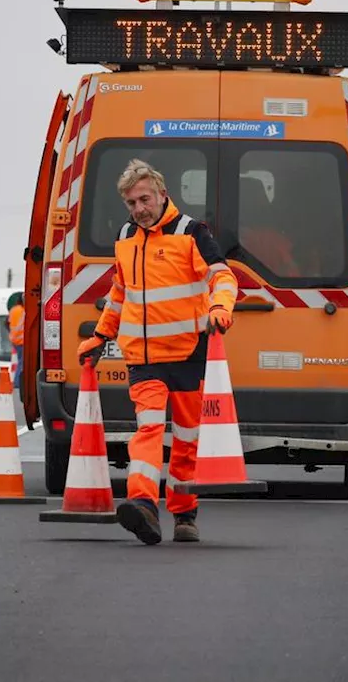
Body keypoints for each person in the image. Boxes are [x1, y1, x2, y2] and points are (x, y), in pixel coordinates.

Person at [77, 159, 238, 545]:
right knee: (147, 431)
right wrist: (101, 336)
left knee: (185, 439)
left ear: (163, 195)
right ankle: (143, 504)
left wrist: (221, 307)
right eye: (131, 203)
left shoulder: (192, 232)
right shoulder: (126, 236)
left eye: (144, 199)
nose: (138, 209)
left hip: (188, 353)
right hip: (143, 358)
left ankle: (184, 515)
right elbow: (120, 292)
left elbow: (222, 275)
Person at [7, 292, 25, 392]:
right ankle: (17, 382)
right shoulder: (23, 311)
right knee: (21, 362)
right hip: (22, 340)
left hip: (14, 339)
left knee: (20, 361)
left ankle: (17, 382)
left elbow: (8, 323)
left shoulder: (13, 310)